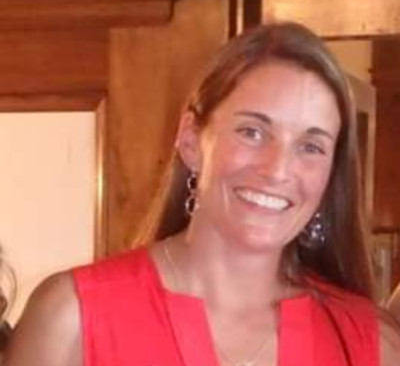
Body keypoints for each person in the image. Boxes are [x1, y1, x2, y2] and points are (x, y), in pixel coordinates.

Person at [4, 22, 400, 366]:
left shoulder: (371, 342)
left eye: (311, 146)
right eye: (252, 132)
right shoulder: (72, 317)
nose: (278, 169)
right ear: (191, 139)